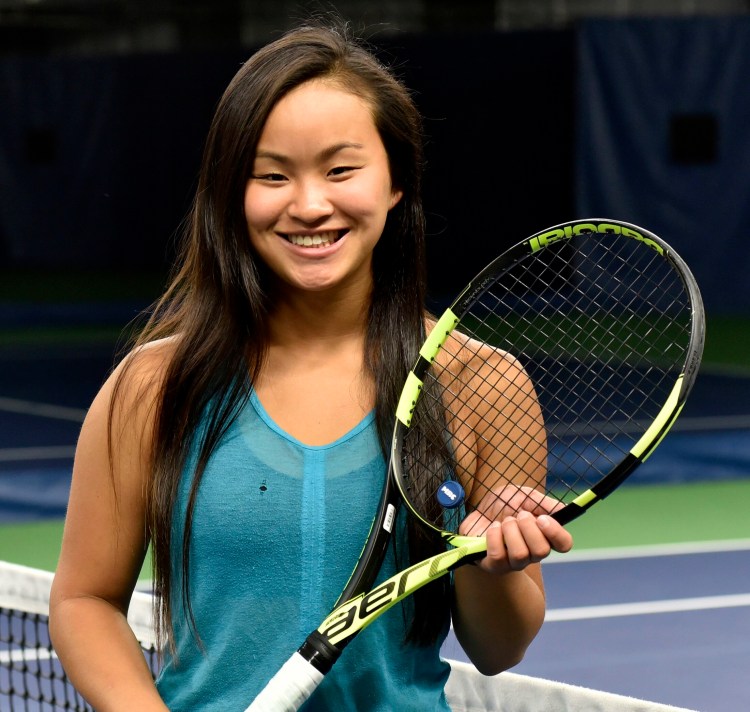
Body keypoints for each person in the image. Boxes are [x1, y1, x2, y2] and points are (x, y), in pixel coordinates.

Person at [48, 20, 573, 711]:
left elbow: (499, 648)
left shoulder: (482, 385)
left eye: (340, 169)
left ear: (395, 184)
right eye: (272, 175)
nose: (309, 205)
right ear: (234, 196)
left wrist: (491, 565)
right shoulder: (151, 390)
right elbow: (84, 601)